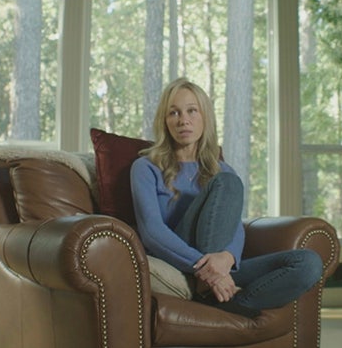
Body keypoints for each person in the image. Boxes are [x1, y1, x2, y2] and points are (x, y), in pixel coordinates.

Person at [130, 78, 324, 318]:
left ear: (205, 117)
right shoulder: (145, 167)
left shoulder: (221, 170)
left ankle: (224, 306)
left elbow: (235, 228)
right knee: (228, 181)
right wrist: (208, 270)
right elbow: (152, 232)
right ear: (165, 121)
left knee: (308, 263)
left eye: (192, 110)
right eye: (174, 113)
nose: (183, 120)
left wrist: (228, 258)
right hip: (180, 265)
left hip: (218, 269)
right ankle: (212, 289)